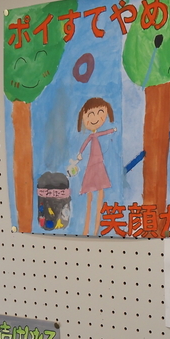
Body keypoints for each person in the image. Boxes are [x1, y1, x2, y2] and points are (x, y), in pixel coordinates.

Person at [77, 97, 117, 236]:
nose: (96, 118)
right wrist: (80, 154)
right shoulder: (90, 136)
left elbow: (104, 132)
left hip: (98, 163)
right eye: (91, 114)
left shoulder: (96, 134)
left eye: (100, 113)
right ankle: (86, 229)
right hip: (92, 164)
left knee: (100, 193)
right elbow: (84, 145)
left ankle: (95, 230)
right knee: (90, 195)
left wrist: (112, 130)